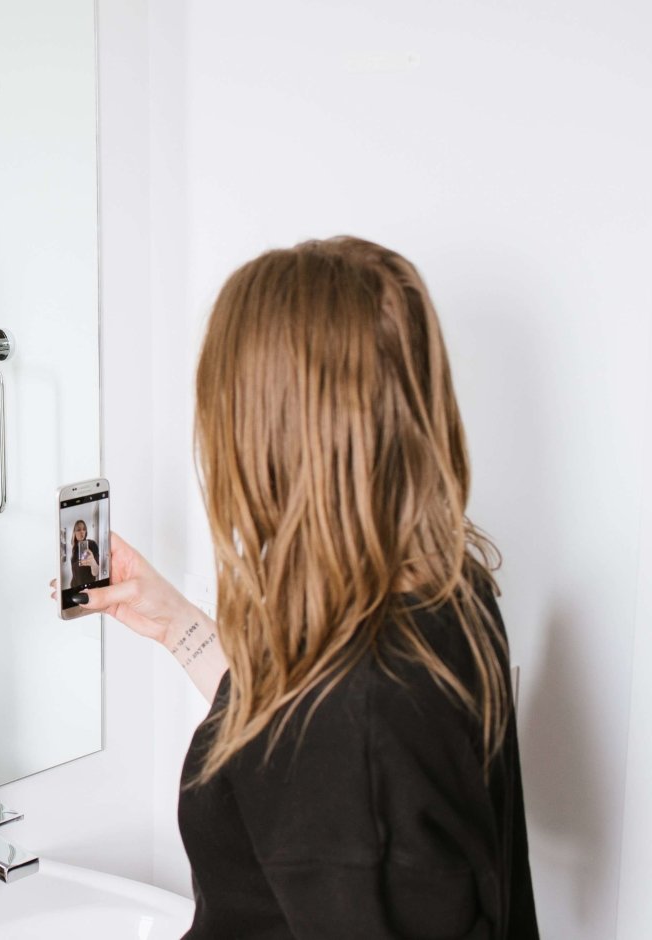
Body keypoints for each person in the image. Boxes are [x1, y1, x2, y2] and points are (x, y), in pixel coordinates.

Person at [81, 238, 538, 938]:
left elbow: (324, 758)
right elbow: (288, 743)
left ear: (267, 430)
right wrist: (176, 625)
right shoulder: (442, 593)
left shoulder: (353, 718)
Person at [67, 519, 101, 590]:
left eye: (84, 529)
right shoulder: (74, 548)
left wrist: (93, 563)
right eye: (78, 530)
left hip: (88, 588)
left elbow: (96, 572)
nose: (82, 532)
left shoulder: (92, 544)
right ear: (74, 533)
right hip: (74, 587)